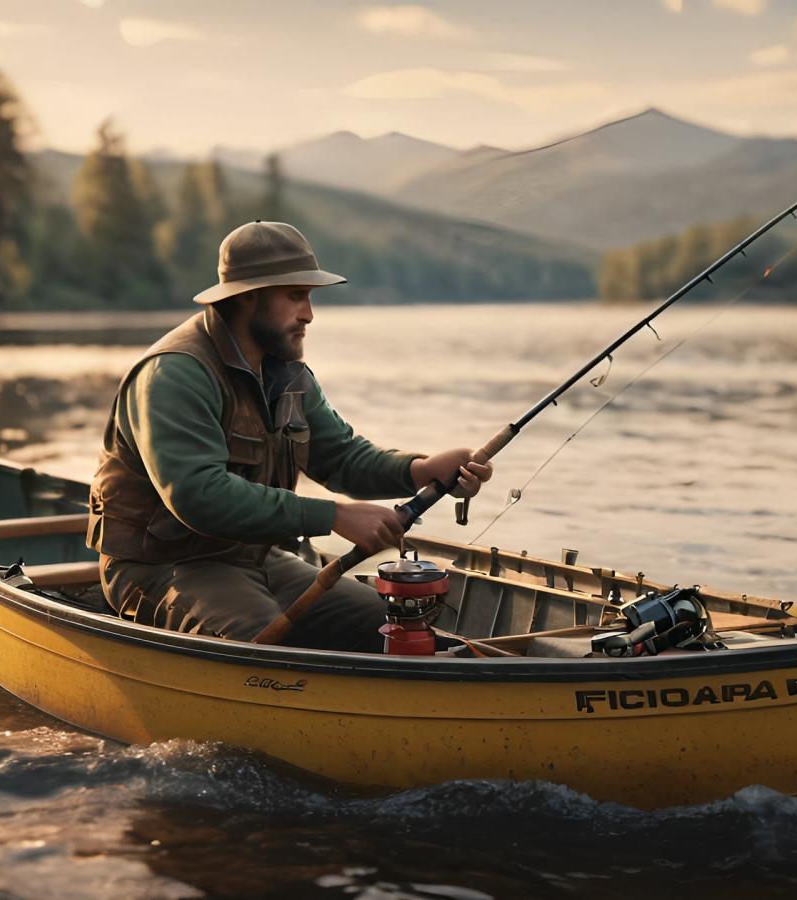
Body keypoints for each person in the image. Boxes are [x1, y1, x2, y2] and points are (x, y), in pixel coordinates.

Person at [87, 221, 493, 652]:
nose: (309, 314)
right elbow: (198, 495)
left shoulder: (286, 371)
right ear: (247, 298)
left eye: (310, 297)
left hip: (257, 558)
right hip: (161, 568)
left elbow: (339, 456)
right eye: (295, 296)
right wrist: (333, 516)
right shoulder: (175, 374)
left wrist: (419, 469)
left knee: (387, 626)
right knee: (258, 647)